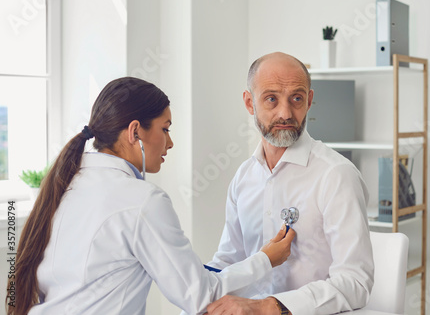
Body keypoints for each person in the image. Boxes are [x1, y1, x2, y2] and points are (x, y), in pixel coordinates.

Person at [7, 77, 295, 315]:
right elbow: (200, 296)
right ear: (135, 131)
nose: (170, 142)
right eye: (165, 129)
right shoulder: (141, 200)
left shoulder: (67, 184)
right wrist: (266, 259)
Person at [204, 52, 374, 315]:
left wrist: (269, 307)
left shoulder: (336, 175)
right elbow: (229, 260)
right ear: (250, 103)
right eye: (271, 99)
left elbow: (355, 283)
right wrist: (197, 297)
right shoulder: (244, 177)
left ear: (309, 101)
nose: (285, 113)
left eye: (296, 98)